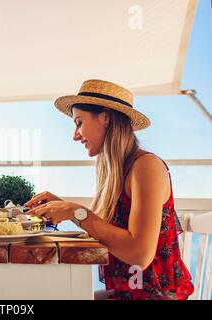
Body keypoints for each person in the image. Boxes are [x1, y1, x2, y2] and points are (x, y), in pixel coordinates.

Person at [26, 79, 194, 300]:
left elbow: (140, 254)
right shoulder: (116, 170)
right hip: (129, 293)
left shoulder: (146, 166)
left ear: (105, 117)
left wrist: (77, 212)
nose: (75, 135)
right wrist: (65, 207)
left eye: (78, 122)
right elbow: (108, 231)